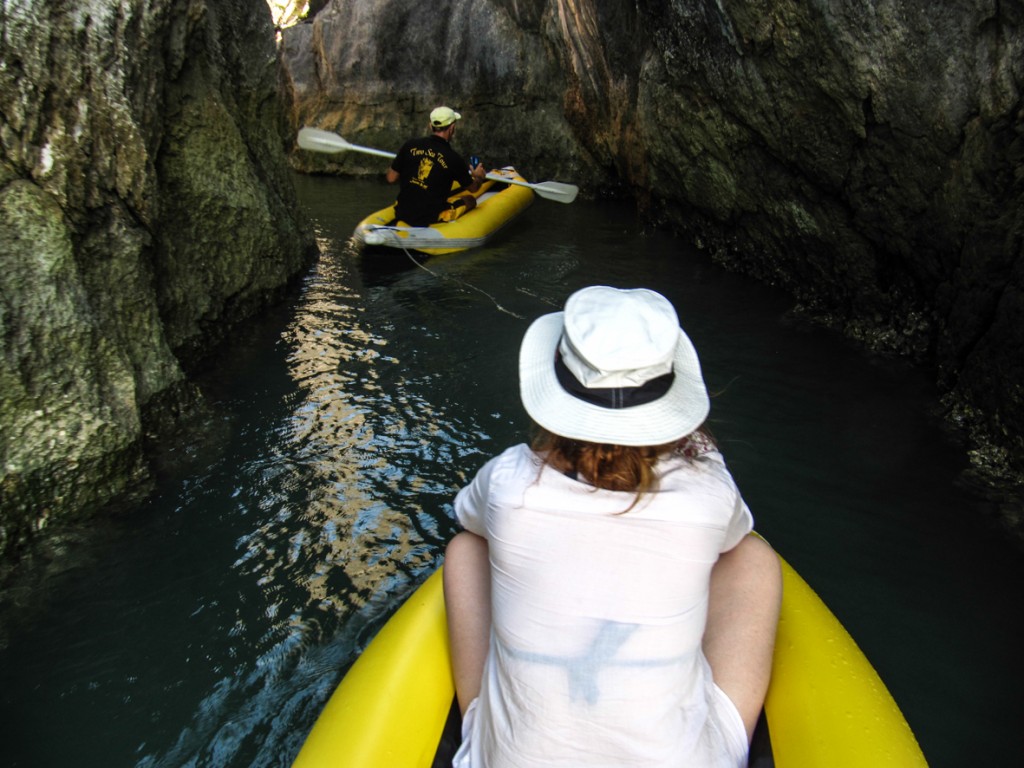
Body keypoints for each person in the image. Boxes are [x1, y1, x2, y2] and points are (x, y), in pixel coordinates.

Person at [443, 285, 782, 768]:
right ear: (669, 394)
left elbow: (468, 520)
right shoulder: (710, 489)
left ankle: (490, 733)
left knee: (465, 548)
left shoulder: (507, 480)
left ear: (556, 387)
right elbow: (732, 539)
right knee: (752, 557)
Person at [385, 106, 488, 226]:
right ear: (452, 128)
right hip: (429, 216)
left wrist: (402, 161)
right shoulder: (453, 158)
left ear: (430, 126)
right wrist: (479, 177)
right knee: (470, 200)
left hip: (402, 210)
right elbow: (473, 189)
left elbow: (390, 178)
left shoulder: (410, 145)